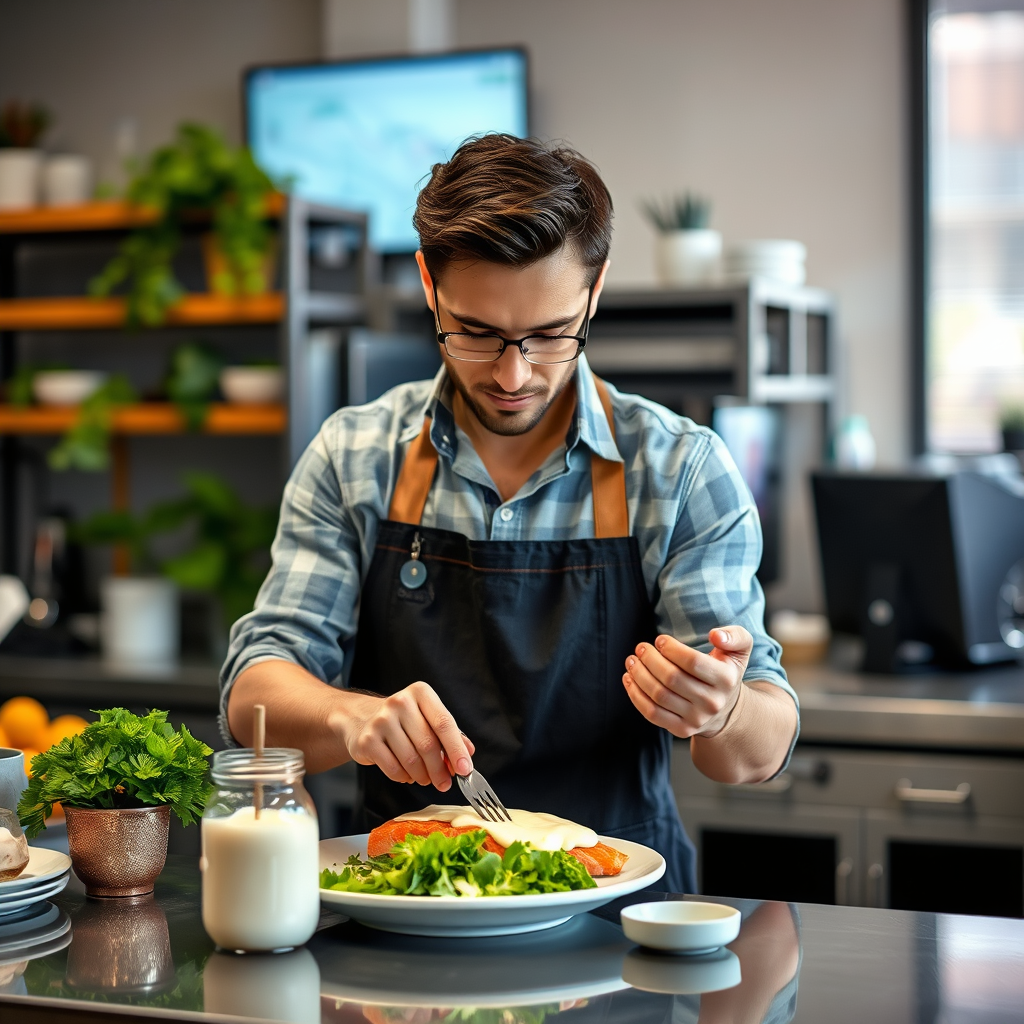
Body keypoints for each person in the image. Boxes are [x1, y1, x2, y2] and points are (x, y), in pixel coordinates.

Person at [220, 134, 798, 892]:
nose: (513, 374)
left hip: (616, 923)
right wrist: (348, 719)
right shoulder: (356, 455)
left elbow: (753, 755)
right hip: (406, 909)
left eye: (551, 335)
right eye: (477, 333)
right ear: (429, 284)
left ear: (593, 291)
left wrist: (720, 711)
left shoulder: (680, 469)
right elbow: (253, 692)